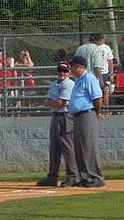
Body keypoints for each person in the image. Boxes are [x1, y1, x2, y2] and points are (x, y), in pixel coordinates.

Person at [37, 61, 79, 187]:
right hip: (55, 116)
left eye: (65, 71)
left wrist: (51, 103)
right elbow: (49, 101)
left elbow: (61, 102)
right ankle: (52, 176)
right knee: (54, 148)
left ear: (69, 72)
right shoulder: (54, 84)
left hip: (65, 116)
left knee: (68, 148)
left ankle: (72, 177)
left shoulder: (69, 84)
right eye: (60, 70)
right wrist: (52, 103)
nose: (62, 73)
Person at [67, 55, 105, 187]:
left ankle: (96, 177)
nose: (70, 68)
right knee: (79, 147)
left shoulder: (88, 78)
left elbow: (98, 97)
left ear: (77, 66)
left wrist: (97, 112)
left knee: (89, 146)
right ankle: (85, 177)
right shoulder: (78, 80)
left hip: (86, 115)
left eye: (71, 66)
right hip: (77, 116)